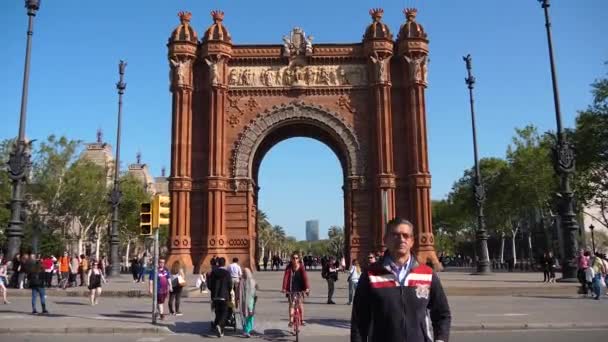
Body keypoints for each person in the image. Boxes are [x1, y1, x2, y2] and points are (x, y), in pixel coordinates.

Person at [351, 217, 451, 342]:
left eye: (406, 235)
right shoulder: (370, 275)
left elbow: (442, 314)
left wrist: (441, 339)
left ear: (412, 241)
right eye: (395, 235)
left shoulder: (427, 274)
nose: (401, 239)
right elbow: (359, 321)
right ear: (385, 240)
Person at [282, 252, 310, 327]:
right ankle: (291, 321)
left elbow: (305, 278)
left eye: (296, 258)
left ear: (299, 259)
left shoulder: (301, 267)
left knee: (300, 304)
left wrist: (307, 288)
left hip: (300, 288)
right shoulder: (289, 267)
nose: (295, 259)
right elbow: (286, 277)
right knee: (291, 304)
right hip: (291, 288)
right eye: (293, 258)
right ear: (291, 259)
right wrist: (284, 288)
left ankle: (302, 320)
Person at [208, 257, 232, 337]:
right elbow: (230, 285)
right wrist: (229, 291)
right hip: (224, 296)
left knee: (218, 312)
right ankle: (220, 325)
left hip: (215, 296)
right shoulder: (227, 273)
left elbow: (210, 285)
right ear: (224, 263)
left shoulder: (213, 273)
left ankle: (220, 330)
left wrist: (213, 291)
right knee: (225, 312)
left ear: (218, 263)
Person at [238, 268, 258, 337]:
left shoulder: (246, 281)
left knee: (247, 315)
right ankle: (246, 330)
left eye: (244, 272)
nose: (244, 273)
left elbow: (255, 291)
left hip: (247, 302)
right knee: (247, 316)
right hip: (247, 302)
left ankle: (246, 330)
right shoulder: (244, 281)